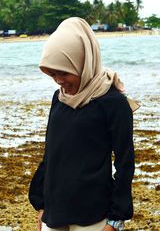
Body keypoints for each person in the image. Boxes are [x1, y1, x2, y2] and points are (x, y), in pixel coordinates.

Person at [28, 17, 139, 231]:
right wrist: (41, 206)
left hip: (94, 217)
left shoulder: (113, 102)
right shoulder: (58, 99)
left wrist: (116, 220)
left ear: (82, 62)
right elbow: (51, 155)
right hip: (55, 213)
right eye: (52, 73)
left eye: (63, 72)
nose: (59, 80)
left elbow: (125, 162)